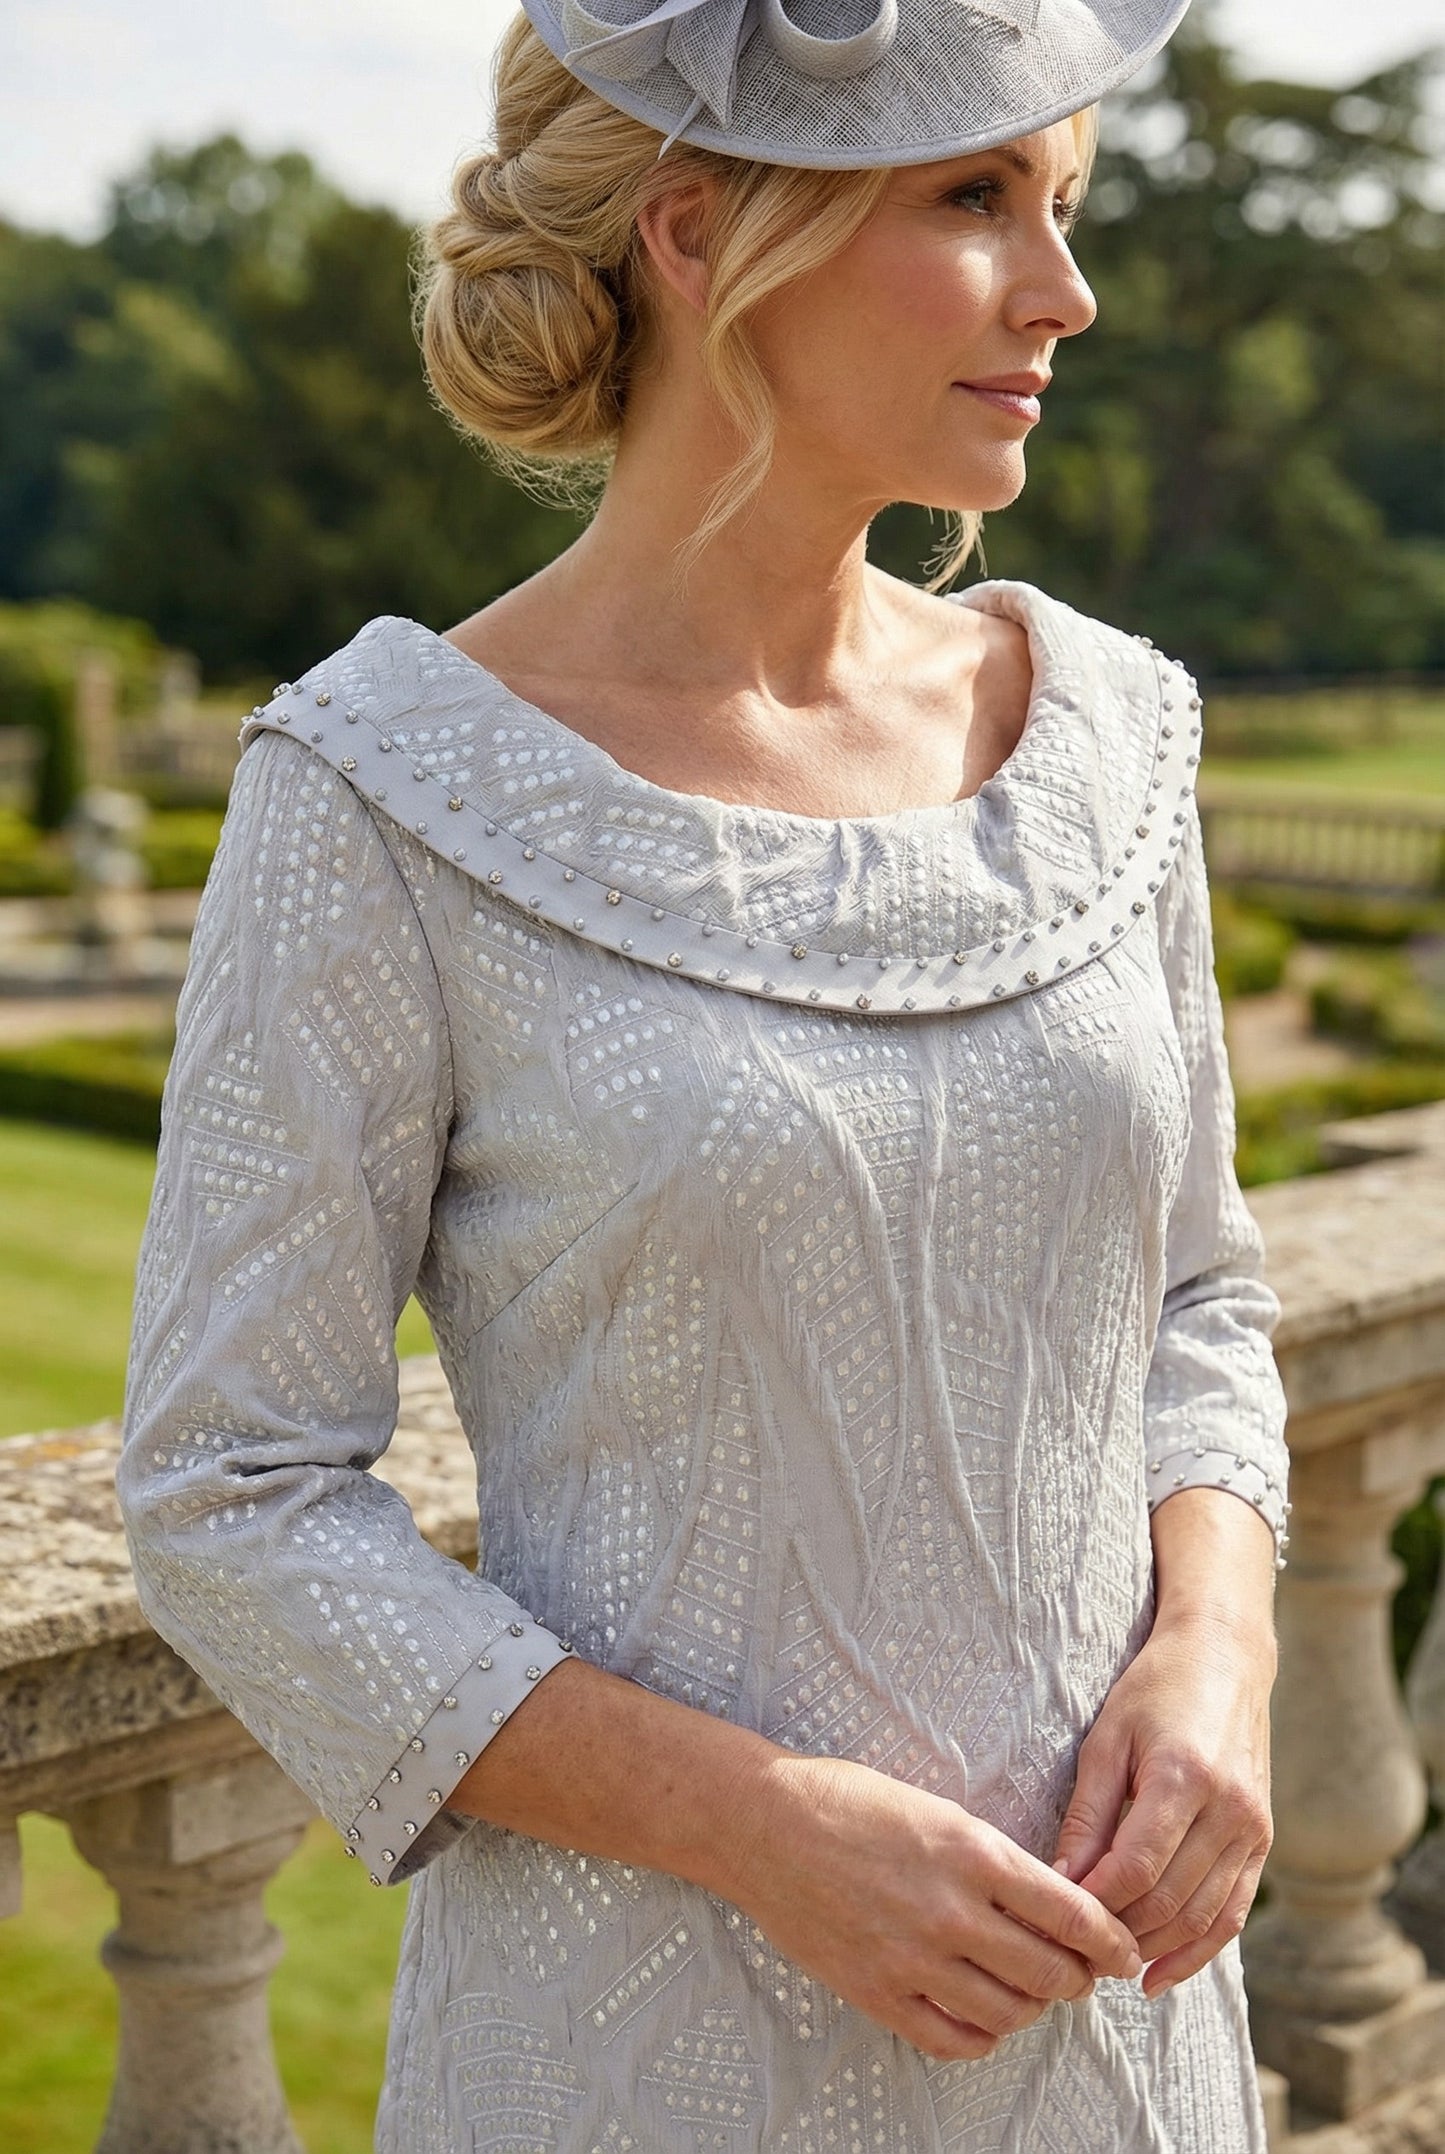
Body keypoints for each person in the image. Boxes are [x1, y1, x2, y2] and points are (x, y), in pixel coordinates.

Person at [117, 0, 1291, 2146]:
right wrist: (758, 1828)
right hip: (630, 2040)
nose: (1068, 287)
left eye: (1063, 202)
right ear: (698, 230)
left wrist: (1215, 1652)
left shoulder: (1110, 744)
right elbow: (228, 1490)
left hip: (1115, 2035)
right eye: (976, 197)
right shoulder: (387, 797)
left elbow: (1199, 1298)